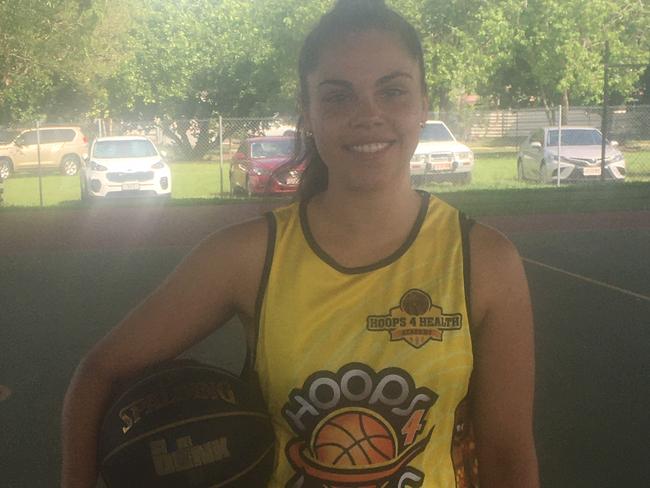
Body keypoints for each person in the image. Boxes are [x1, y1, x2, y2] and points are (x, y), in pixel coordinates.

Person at [61, 1, 538, 487]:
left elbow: (507, 454)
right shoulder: (247, 256)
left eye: (392, 91)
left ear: (423, 104)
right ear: (307, 112)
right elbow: (99, 371)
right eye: (337, 97)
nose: (368, 116)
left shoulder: (484, 261)